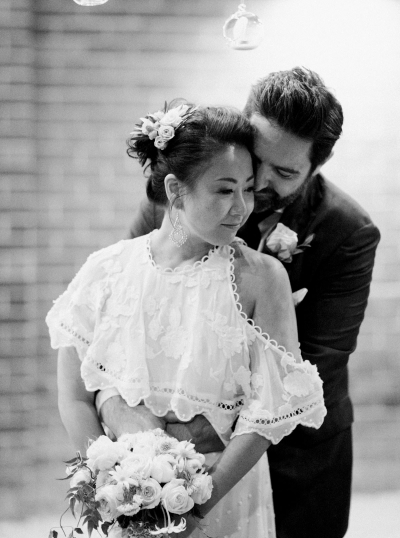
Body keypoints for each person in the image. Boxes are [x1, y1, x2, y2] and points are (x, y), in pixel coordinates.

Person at [100, 69, 380, 538]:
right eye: (257, 158)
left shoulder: (348, 231)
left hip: (299, 456)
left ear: (318, 165)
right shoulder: (177, 199)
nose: (259, 183)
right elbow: (127, 308)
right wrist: (134, 421)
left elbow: (322, 358)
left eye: (285, 173)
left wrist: (211, 427)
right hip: (170, 446)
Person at [46, 102, 327, 538]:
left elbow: (270, 413)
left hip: (224, 497)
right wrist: (113, 492)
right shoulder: (106, 270)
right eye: (224, 190)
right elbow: (74, 396)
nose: (242, 207)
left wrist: (189, 511)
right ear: (176, 189)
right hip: (126, 505)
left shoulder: (263, 278)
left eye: (247, 189)